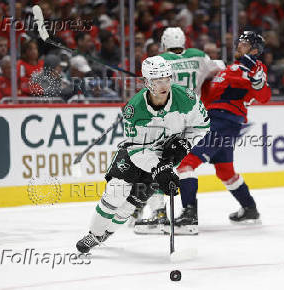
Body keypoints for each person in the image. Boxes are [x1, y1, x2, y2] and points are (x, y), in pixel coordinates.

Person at [75, 55, 209, 253]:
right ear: (147, 82)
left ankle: (106, 233)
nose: (164, 85)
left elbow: (201, 126)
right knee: (115, 191)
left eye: (167, 79)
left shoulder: (187, 99)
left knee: (131, 204)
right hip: (135, 154)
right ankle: (93, 235)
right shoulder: (133, 109)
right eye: (157, 81)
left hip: (165, 156)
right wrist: (158, 168)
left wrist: (184, 144)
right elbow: (137, 148)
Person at [173, 31, 271, 234]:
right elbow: (204, 97)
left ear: (254, 50)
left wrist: (258, 80)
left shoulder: (252, 66)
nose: (238, 46)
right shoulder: (225, 70)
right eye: (239, 42)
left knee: (185, 163)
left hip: (223, 123)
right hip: (217, 121)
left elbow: (263, 95)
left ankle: (189, 215)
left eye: (243, 44)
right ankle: (250, 209)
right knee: (225, 170)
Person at [134, 27, 225, 234]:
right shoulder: (199, 56)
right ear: (184, 41)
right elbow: (219, 67)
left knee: (154, 161)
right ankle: (189, 214)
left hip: (169, 118)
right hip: (194, 116)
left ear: (163, 43)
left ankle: (159, 215)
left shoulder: (160, 59)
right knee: (184, 165)